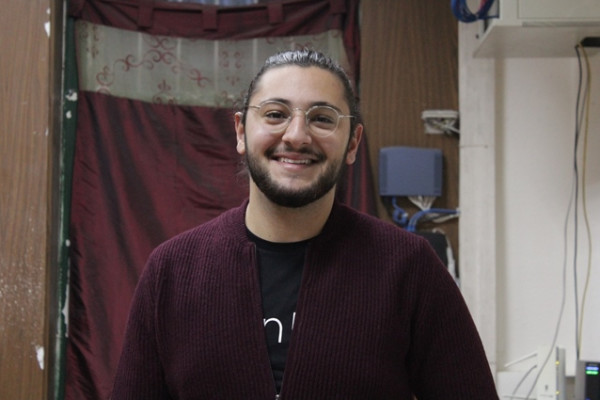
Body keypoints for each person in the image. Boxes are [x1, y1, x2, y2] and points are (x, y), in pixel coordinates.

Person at [111, 49, 499, 399]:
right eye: (275, 114)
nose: (297, 136)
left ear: (352, 143)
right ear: (241, 131)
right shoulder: (172, 271)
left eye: (322, 119)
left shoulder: (407, 267)